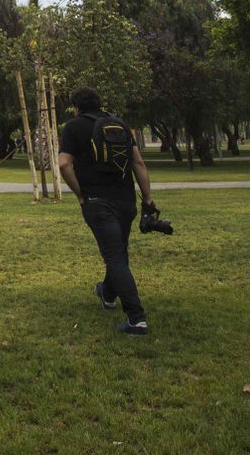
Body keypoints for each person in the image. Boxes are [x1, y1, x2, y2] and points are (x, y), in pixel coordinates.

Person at [57, 86, 155, 335]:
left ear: (76, 106)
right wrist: (147, 199)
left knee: (114, 256)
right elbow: (138, 163)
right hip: (125, 200)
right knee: (118, 251)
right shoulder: (119, 125)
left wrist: (80, 193)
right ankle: (108, 292)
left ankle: (136, 318)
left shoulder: (73, 127)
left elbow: (64, 163)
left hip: (97, 201)